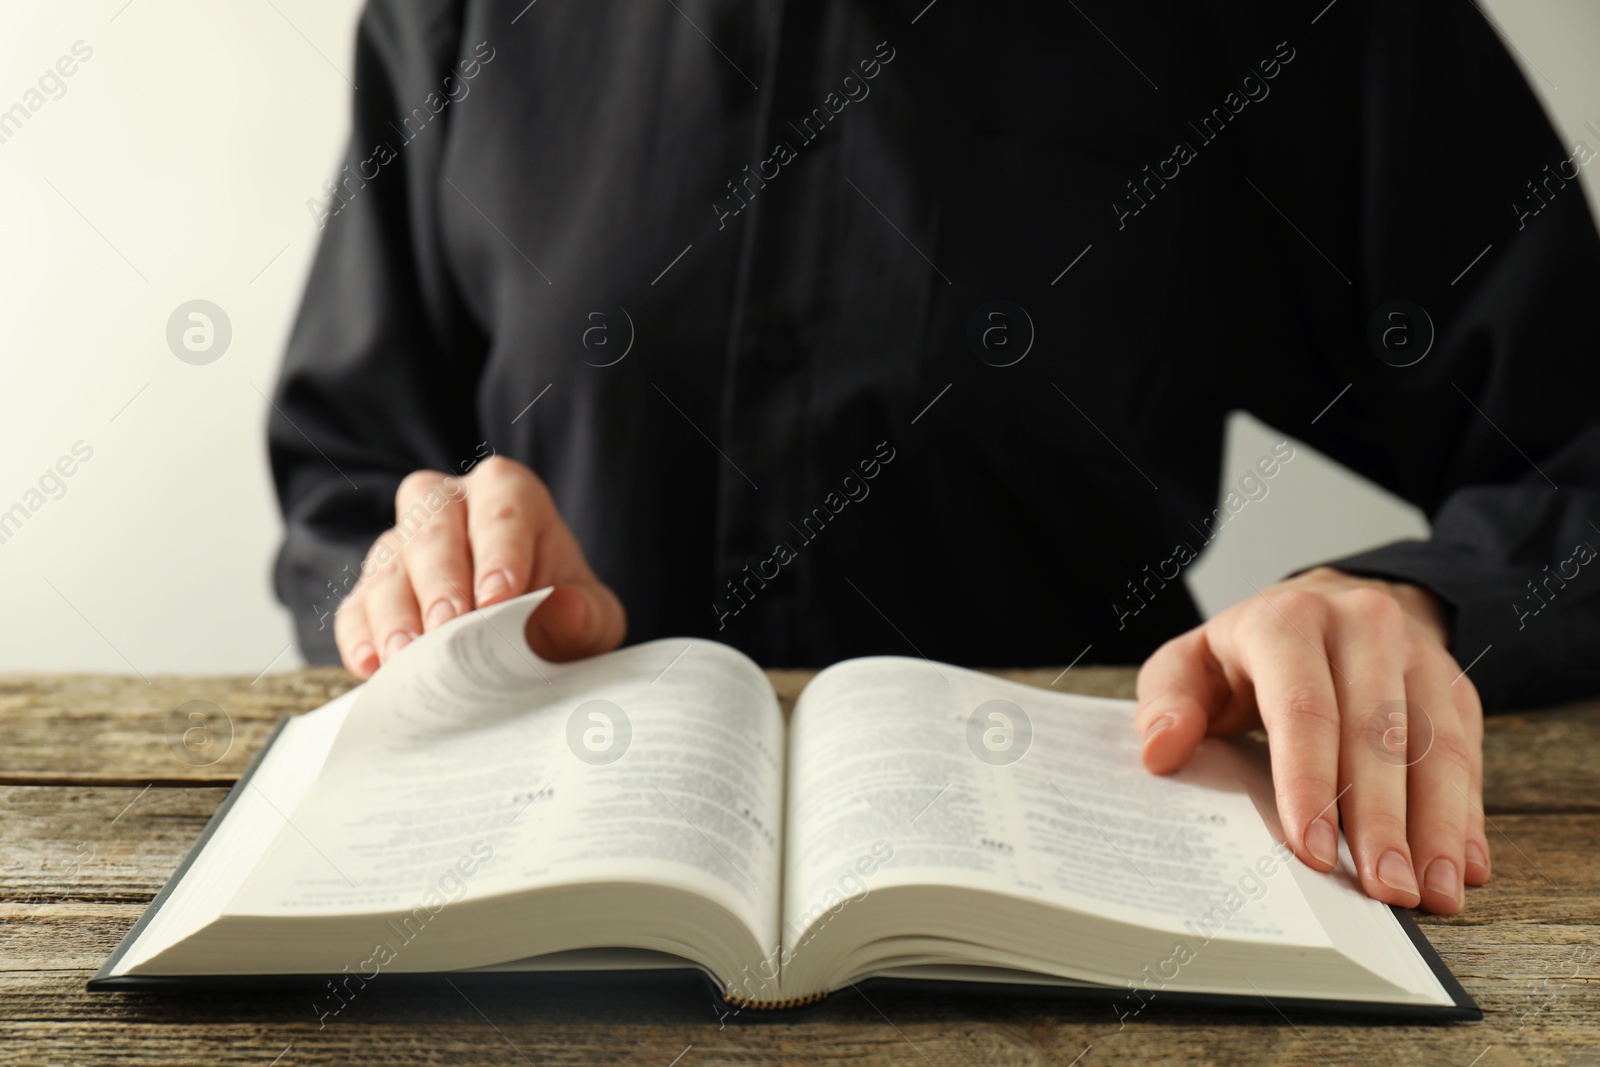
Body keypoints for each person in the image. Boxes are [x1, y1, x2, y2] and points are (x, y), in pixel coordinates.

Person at [269, 0, 1600, 918]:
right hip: (530, 915)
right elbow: (350, 468)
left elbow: (1579, 456)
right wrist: (425, 591)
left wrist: (1407, 599)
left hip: (1094, 913)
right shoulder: (457, 13)